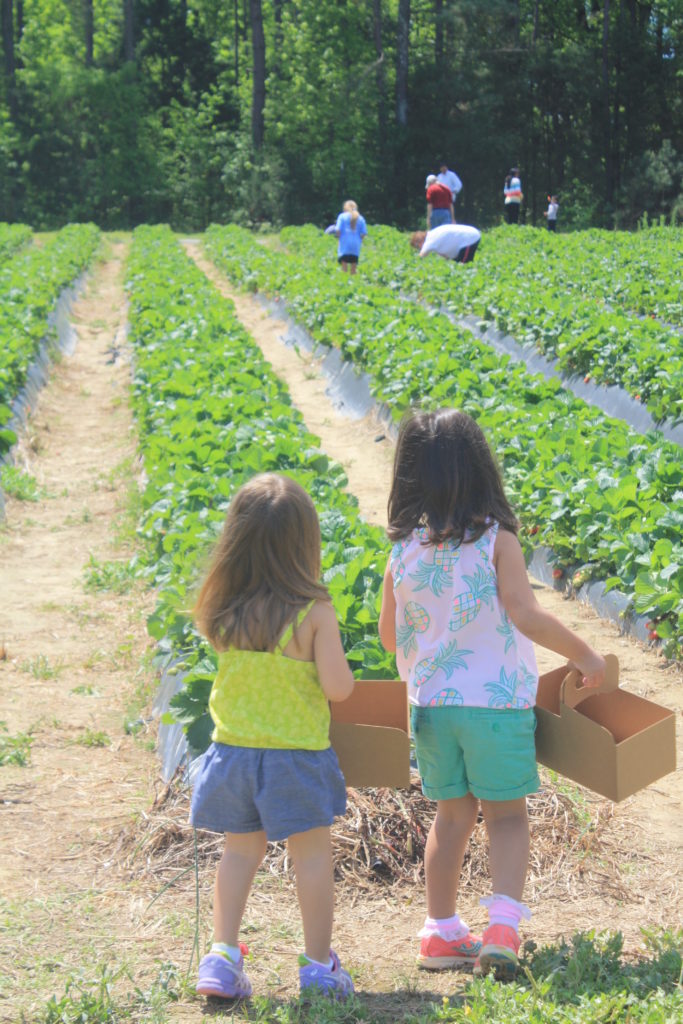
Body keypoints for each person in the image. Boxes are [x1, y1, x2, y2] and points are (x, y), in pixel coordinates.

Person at [378, 409, 606, 981]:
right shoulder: (496, 541)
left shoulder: (403, 549)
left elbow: (388, 636)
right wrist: (583, 654)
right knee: (506, 818)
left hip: (431, 705)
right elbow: (524, 613)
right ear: (481, 469)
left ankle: (440, 931)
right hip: (494, 704)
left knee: (451, 817)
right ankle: (502, 928)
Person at [190, 473, 356, 1000]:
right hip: (294, 759)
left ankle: (220, 958)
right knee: (310, 857)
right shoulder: (314, 612)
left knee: (239, 854)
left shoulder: (224, 610)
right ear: (305, 543)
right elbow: (338, 687)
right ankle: (316, 969)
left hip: (233, 755)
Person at [410, 224, 481, 264]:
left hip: (470, 238)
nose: (419, 249)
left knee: (465, 266)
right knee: (459, 266)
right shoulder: (433, 235)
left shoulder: (430, 239)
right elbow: (445, 256)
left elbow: (420, 257)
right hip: (469, 237)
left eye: (417, 247)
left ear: (419, 241)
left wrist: (411, 265)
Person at [332, 199, 368, 274]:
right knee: (353, 268)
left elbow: (338, 230)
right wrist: (359, 239)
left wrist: (339, 237)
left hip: (345, 243)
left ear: (345, 208)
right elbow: (364, 233)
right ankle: (353, 283)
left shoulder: (342, 216)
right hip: (356, 245)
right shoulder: (360, 218)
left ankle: (345, 283)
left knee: (344, 267)